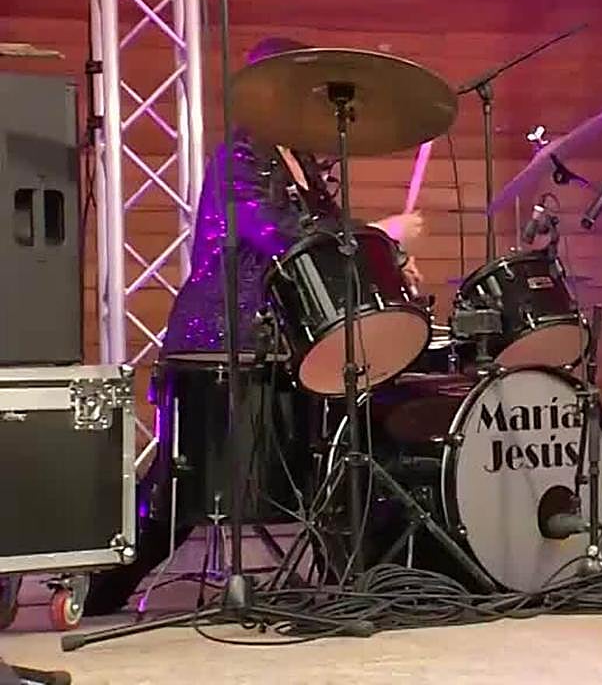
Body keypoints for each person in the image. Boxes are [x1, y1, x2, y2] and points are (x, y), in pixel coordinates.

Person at [84, 36, 426, 615]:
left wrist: (385, 258)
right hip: (222, 337)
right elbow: (276, 234)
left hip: (282, 339)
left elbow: (326, 252)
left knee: (328, 460)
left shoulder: (305, 166)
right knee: (185, 487)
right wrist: (381, 231)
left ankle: (352, 577)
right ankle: (104, 587)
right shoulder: (238, 159)